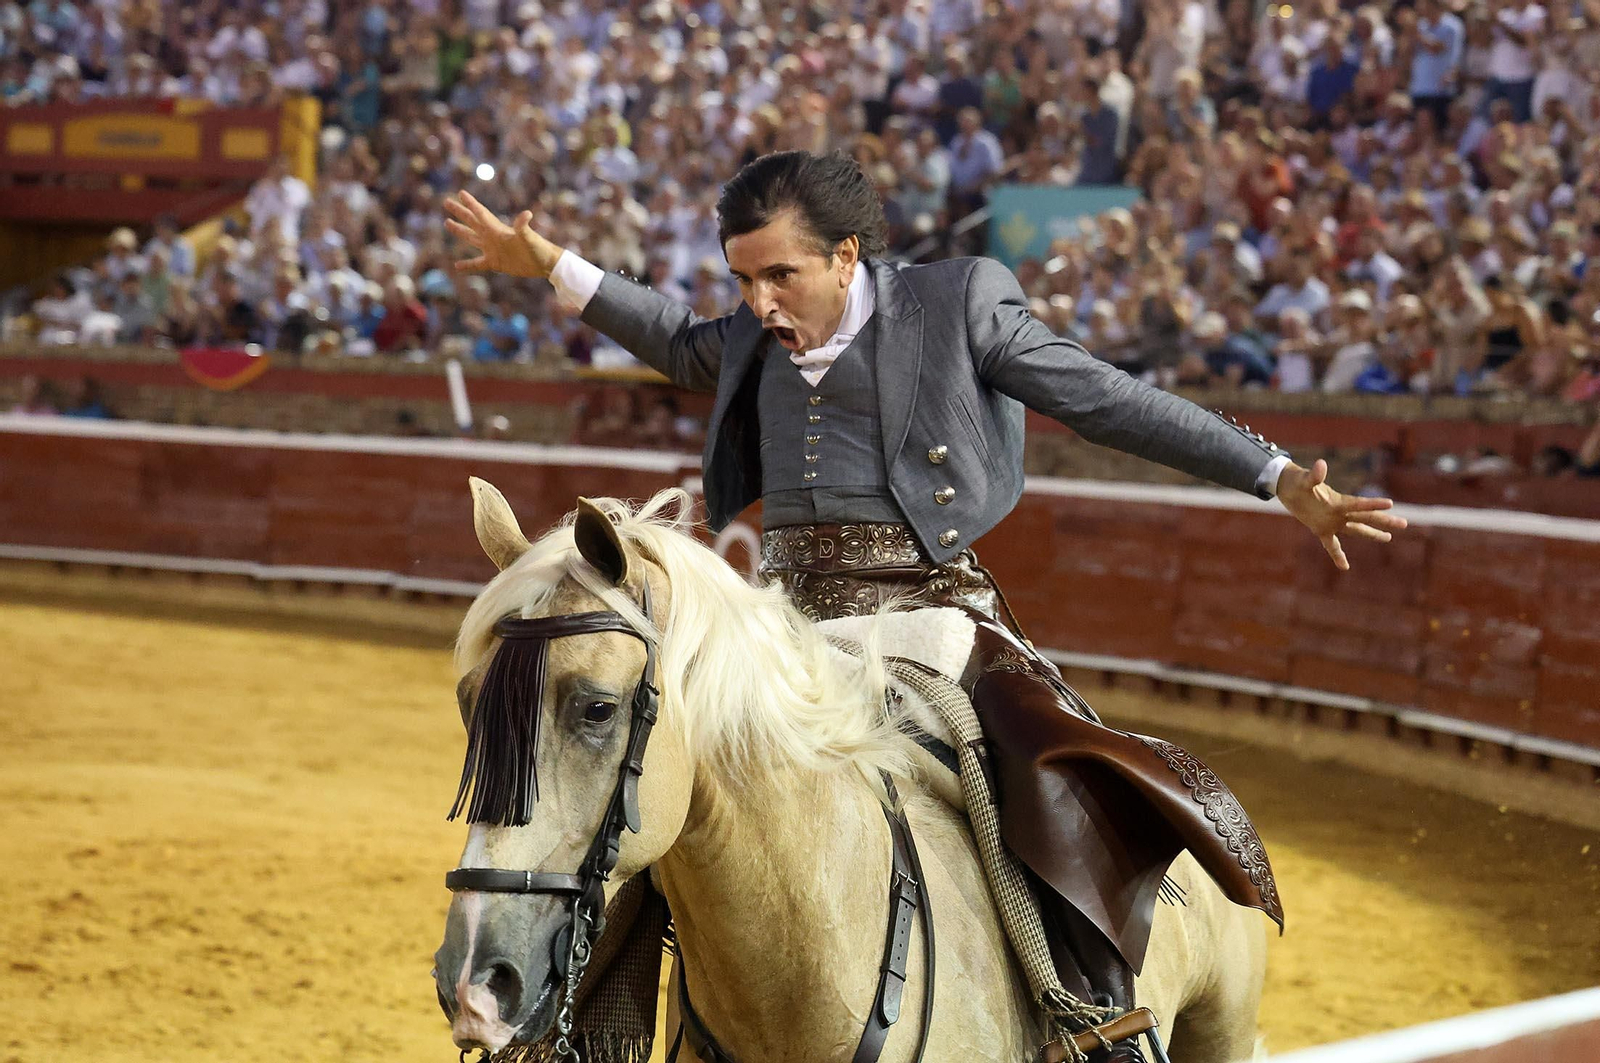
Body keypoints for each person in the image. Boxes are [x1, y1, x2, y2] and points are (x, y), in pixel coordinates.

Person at [444, 149, 1405, 1037]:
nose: (759, 302)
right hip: (787, 631)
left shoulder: (958, 303)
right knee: (665, 793)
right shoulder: (752, 337)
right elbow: (672, 335)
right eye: (742, 279)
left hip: (929, 617)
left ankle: (1092, 1009)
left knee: (1035, 774)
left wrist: (1276, 475)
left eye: (780, 275)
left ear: (846, 255)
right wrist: (552, 264)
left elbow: (1104, 397)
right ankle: (582, 1027)